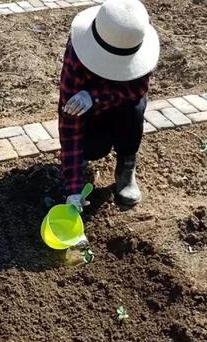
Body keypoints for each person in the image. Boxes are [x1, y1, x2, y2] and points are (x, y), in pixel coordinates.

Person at [58, 0, 160, 211]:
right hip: (92, 115)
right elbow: (69, 125)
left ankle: (126, 164)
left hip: (122, 106)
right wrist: (73, 188)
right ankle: (82, 161)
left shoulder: (134, 37)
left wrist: (94, 97)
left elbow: (137, 89)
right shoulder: (77, 57)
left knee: (135, 109)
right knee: (93, 148)